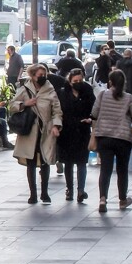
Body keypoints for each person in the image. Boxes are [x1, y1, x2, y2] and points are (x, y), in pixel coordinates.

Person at [9, 63, 63, 204]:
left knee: (45, 161)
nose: (43, 77)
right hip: (29, 132)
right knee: (31, 163)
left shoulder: (50, 90)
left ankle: (44, 193)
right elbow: (12, 105)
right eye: (40, 75)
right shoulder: (24, 89)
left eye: (44, 75)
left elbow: (57, 110)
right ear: (32, 76)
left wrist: (56, 125)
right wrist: (25, 104)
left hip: (45, 131)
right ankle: (33, 194)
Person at [91, 68, 132, 213]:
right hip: (123, 138)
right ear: (124, 82)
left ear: (110, 82)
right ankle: (122, 200)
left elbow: (94, 113)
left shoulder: (102, 95)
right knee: (122, 170)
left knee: (105, 169)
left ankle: (102, 199)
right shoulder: (129, 98)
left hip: (104, 137)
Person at [57, 66, 94, 203]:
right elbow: (59, 110)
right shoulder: (62, 93)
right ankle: (69, 189)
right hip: (67, 131)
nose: (78, 83)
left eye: (80, 80)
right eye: (75, 80)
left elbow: (94, 107)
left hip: (83, 130)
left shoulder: (88, 90)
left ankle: (81, 190)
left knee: (81, 162)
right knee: (68, 162)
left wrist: (90, 118)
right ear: (70, 80)